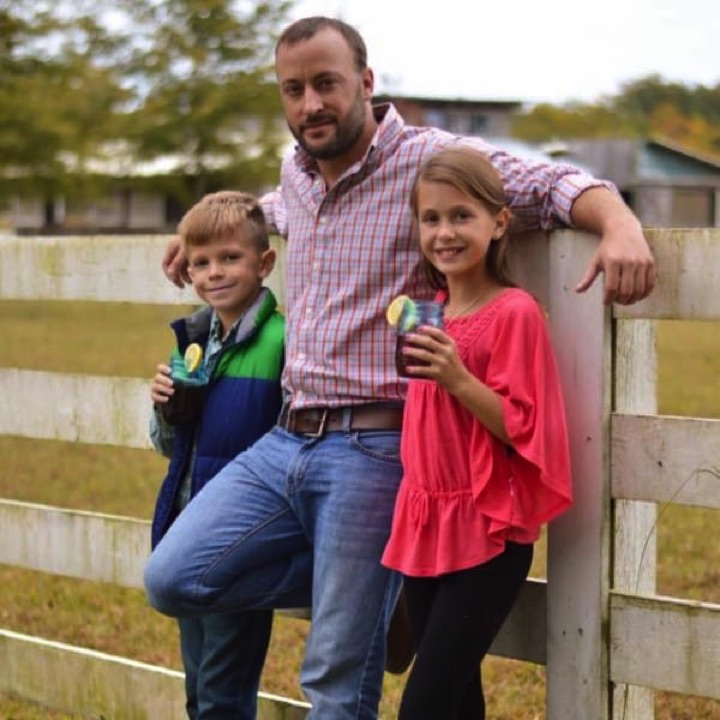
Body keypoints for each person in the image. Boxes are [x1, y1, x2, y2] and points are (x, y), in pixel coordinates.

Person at [144, 16, 656, 720]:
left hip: (374, 445)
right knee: (172, 577)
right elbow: (263, 215)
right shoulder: (296, 178)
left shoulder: (428, 160)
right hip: (286, 437)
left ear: (365, 81)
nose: (310, 104)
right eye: (293, 90)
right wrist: (195, 234)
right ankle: (371, 579)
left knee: (332, 679)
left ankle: (364, 581)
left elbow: (550, 185)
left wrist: (620, 222)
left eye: (326, 83)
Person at [381, 146, 572, 719]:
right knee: (459, 702)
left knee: (425, 706)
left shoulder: (513, 311)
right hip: (423, 520)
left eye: (462, 216)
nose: (445, 232)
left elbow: (526, 427)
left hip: (487, 527)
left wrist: (458, 377)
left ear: (499, 222)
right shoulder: (428, 310)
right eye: (432, 218)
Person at [148, 191, 285, 720]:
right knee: (198, 689)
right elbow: (166, 446)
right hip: (188, 531)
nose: (214, 273)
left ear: (263, 263)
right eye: (201, 262)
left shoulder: (281, 341)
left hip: (238, 540)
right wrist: (163, 408)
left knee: (223, 696)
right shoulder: (193, 341)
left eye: (230, 258)